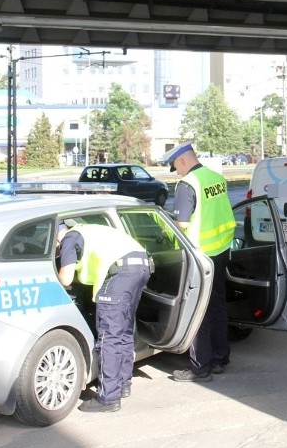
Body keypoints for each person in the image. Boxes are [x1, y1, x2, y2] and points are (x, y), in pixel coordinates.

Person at [56, 223, 152, 413]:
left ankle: (108, 397)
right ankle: (123, 384)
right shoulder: (88, 228)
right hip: (142, 266)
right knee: (124, 330)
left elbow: (66, 279)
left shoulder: (69, 238)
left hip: (120, 273)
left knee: (109, 336)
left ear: (56, 237)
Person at [164, 142, 235, 383]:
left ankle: (200, 367)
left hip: (199, 257)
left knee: (198, 311)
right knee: (217, 306)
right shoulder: (216, 178)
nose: (178, 172)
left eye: (176, 167)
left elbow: (181, 226)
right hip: (221, 251)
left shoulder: (188, 184)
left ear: (182, 161)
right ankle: (219, 358)